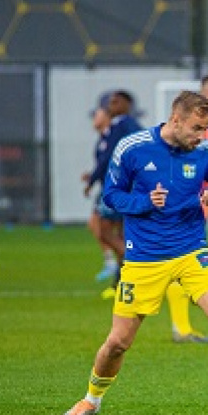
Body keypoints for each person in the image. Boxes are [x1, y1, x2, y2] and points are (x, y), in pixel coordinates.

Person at [60, 90, 208, 415]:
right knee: (119, 342)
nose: (201, 136)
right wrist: (146, 202)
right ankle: (91, 399)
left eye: (205, 129)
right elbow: (111, 197)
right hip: (144, 258)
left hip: (193, 251)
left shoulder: (205, 152)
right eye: (196, 128)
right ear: (175, 119)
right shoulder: (133, 148)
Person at [165, 73, 208, 344]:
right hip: (185, 200)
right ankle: (181, 327)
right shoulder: (191, 126)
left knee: (184, 259)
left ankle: (183, 323)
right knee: (180, 260)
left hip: (200, 199)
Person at [89, 90, 143, 299]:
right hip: (117, 185)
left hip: (118, 187)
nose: (112, 104)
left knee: (103, 231)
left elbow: (110, 159)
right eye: (110, 101)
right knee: (120, 234)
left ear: (127, 105)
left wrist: (93, 180)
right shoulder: (116, 127)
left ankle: (133, 262)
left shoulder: (125, 124)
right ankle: (121, 283)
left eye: (116, 101)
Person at [82, 94, 120, 282]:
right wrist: (91, 176)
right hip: (107, 187)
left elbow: (107, 162)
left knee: (100, 225)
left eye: (96, 114)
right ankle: (117, 263)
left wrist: (91, 182)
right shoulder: (103, 138)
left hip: (113, 189)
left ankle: (121, 261)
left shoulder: (113, 135)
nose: (94, 119)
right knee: (99, 225)